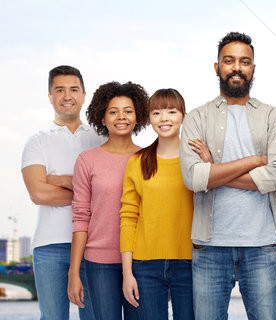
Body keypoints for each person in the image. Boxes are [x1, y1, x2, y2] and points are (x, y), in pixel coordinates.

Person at [179, 31, 276, 320]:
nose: (237, 67)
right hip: (210, 247)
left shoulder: (274, 117)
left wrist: (214, 170)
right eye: (229, 61)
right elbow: (193, 179)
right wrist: (254, 161)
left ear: (253, 68)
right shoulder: (197, 118)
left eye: (245, 61)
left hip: (262, 246)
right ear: (217, 67)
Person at [21, 65, 103, 320]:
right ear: (50, 96)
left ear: (84, 94)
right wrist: (88, 194)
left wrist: (62, 180)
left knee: (95, 316)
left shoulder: (100, 139)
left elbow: (112, 192)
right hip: (49, 245)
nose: (67, 95)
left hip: (94, 244)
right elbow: (39, 194)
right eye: (60, 90)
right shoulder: (37, 141)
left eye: (73, 89)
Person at [68, 81, 149, 320]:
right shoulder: (87, 160)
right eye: (113, 111)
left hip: (142, 261)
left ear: (138, 117)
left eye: (128, 110)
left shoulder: (149, 158)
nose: (121, 117)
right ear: (102, 118)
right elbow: (81, 218)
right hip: (99, 263)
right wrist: (74, 272)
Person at [119, 89, 194, 319]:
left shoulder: (197, 158)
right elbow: (128, 218)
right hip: (145, 266)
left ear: (184, 116)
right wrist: (127, 273)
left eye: (172, 111)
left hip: (191, 263)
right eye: (157, 112)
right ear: (149, 118)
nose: (164, 118)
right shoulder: (138, 162)